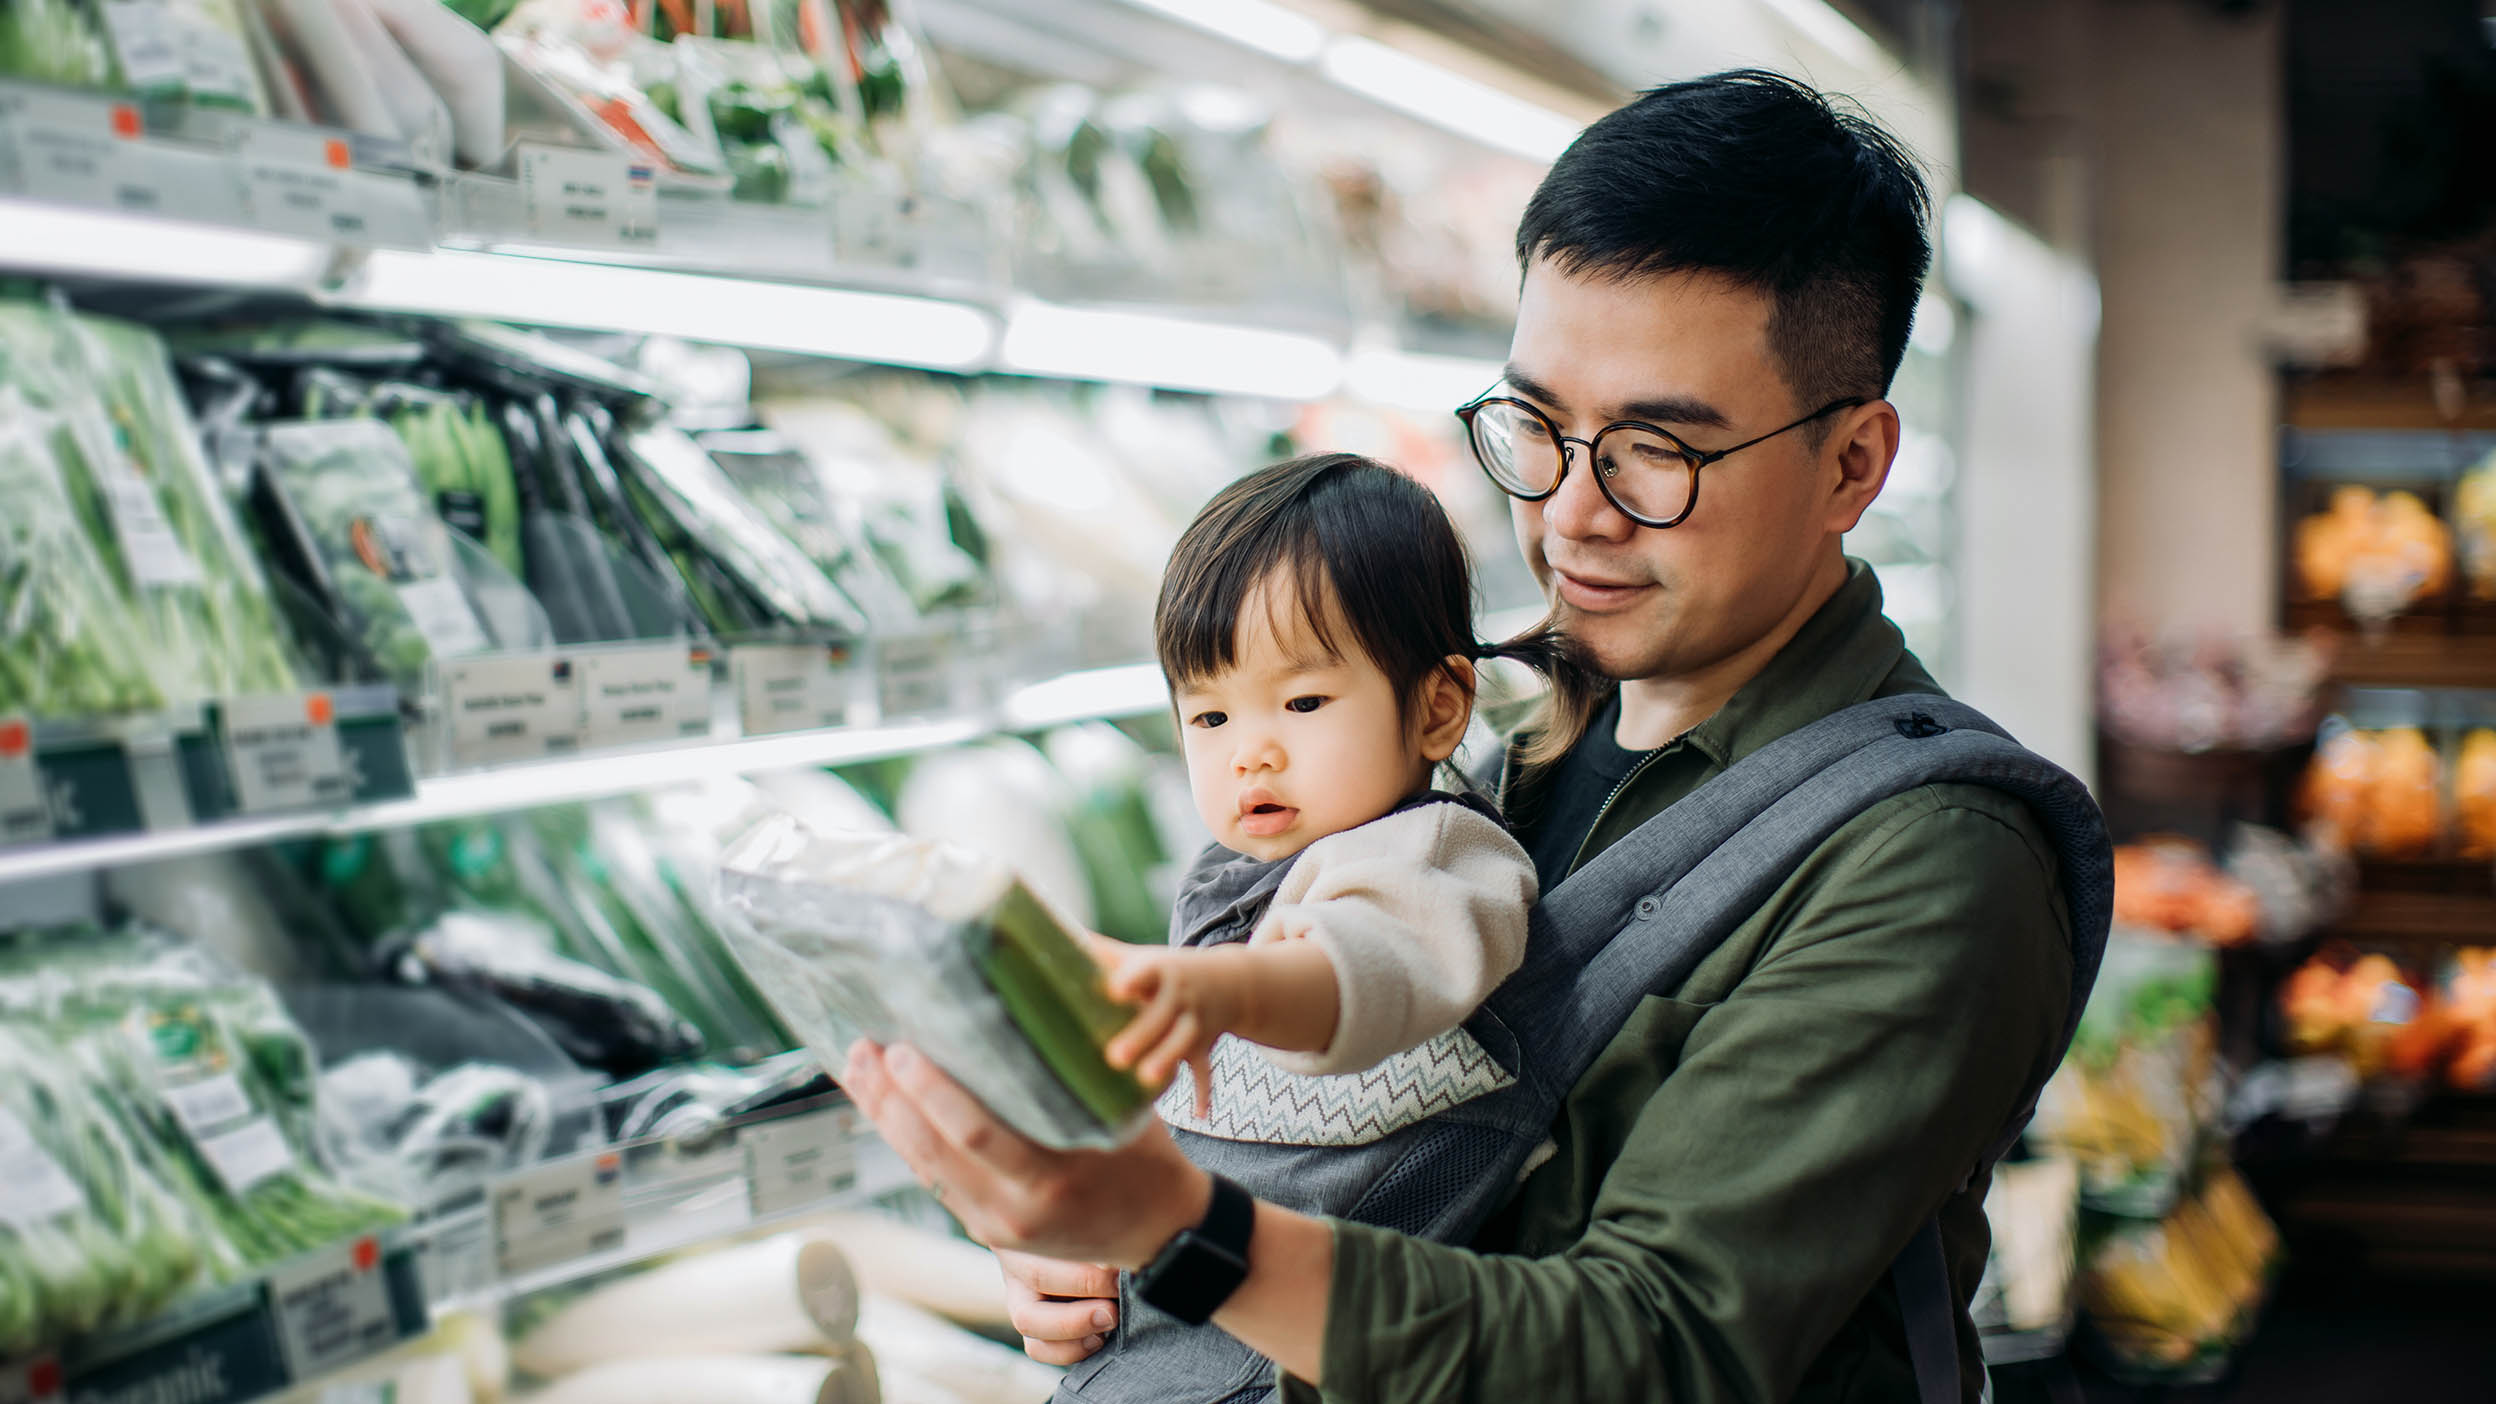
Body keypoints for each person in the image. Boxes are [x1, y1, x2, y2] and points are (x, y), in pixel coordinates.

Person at [842, 69, 2077, 1404]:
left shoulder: (1935, 860)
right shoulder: (1511, 738)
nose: (1571, 516)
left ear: (1853, 465)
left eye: (1656, 452)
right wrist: (1108, 1258)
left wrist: (1189, 1239)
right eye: (1538, 425)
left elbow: (1653, 1351)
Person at [1069, 450, 1571, 1401]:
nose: (1251, 752)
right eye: (1209, 717)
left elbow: (1359, 967)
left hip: (1305, 1361)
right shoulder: (1231, 875)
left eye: (1302, 702)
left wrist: (1222, 991)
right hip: (1182, 1331)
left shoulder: (1440, 857)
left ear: (1437, 707)